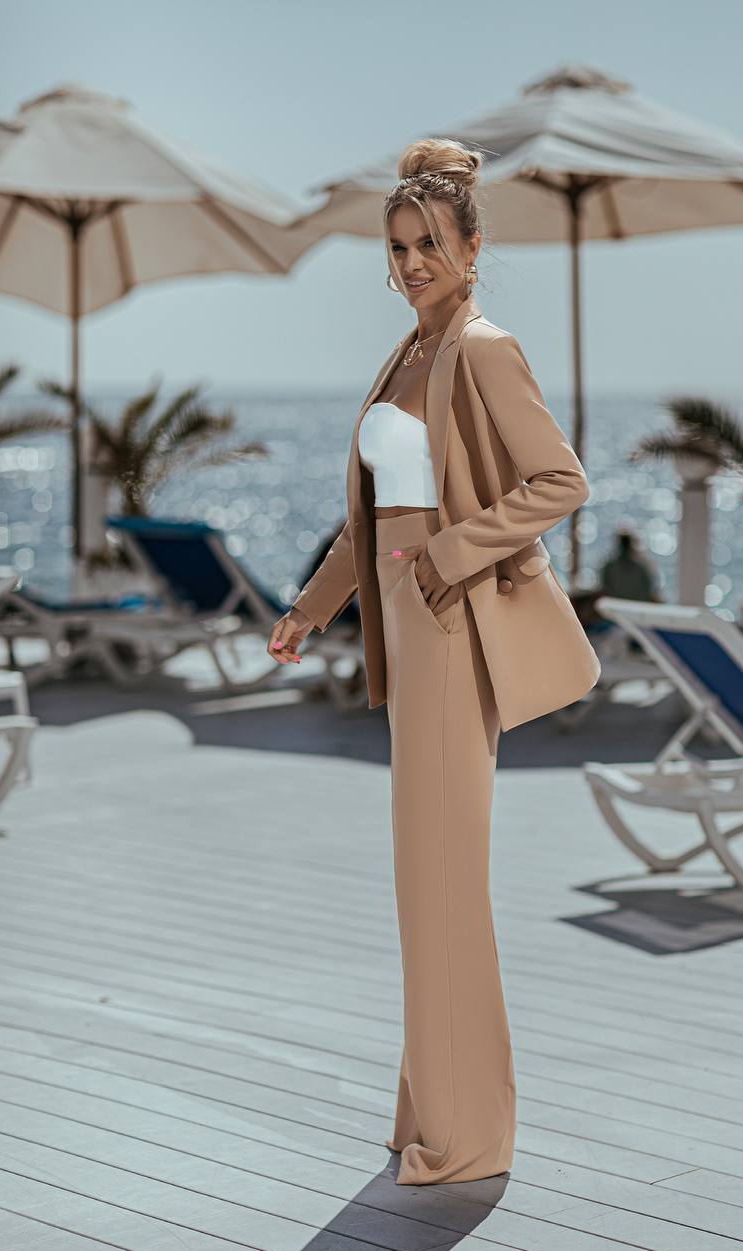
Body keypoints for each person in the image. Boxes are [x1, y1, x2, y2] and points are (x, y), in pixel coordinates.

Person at [268, 138, 600, 1185]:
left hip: (451, 631)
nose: (410, 261)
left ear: (471, 244)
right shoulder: (408, 352)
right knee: (425, 885)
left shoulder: (483, 346)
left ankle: (466, 1134)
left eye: (428, 244)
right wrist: (312, 606)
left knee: (444, 881)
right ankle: (432, 1102)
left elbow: (559, 479)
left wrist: (450, 559)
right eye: (398, 245)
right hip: (407, 641)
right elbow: (373, 518)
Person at [599, 530, 661, 602]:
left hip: (616, 606)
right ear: (632, 545)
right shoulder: (642, 568)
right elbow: (648, 591)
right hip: (636, 606)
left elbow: (605, 589)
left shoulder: (609, 567)